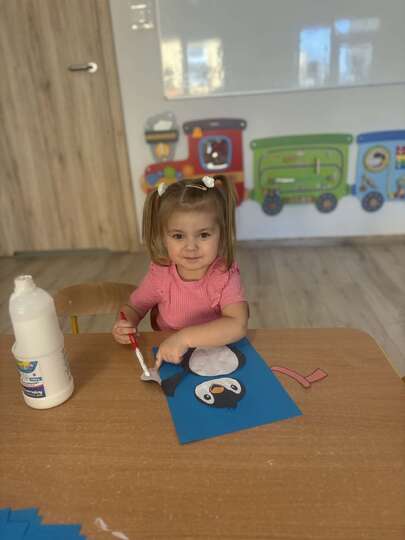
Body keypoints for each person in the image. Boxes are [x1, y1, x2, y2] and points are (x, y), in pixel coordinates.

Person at [112, 175, 249, 368]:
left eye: (203, 235)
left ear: (222, 234)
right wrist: (124, 324)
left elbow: (237, 324)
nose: (190, 247)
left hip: (216, 355)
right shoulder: (160, 274)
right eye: (178, 236)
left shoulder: (224, 274)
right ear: (163, 237)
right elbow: (134, 308)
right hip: (169, 356)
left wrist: (184, 338)